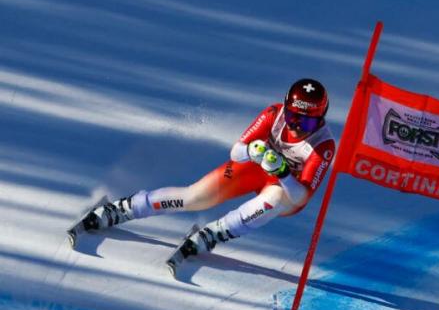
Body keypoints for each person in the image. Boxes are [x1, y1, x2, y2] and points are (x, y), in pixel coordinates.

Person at [78, 78, 335, 264]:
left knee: (276, 199)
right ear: (286, 109)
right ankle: (123, 209)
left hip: (288, 189)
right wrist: (252, 152)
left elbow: (301, 196)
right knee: (196, 197)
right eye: (294, 118)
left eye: (308, 121)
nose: (299, 126)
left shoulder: (322, 145)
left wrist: (282, 172)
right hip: (256, 167)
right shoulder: (273, 113)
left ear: (320, 119)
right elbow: (236, 151)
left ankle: (215, 233)